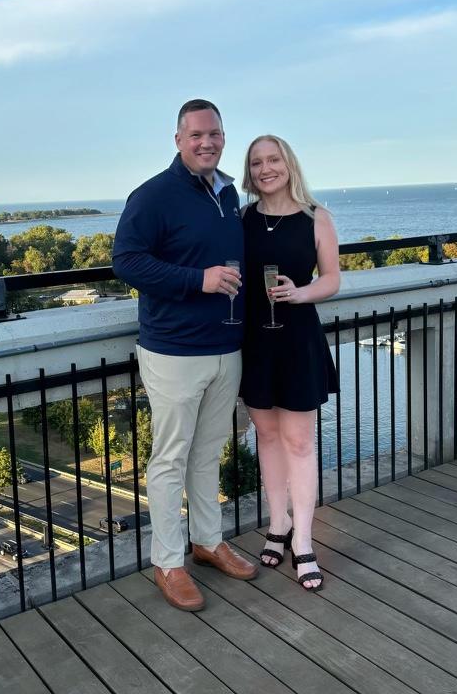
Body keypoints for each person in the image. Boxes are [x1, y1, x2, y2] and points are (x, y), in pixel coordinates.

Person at [113, 99, 258, 612]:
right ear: (178, 140)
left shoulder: (227, 193)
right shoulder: (153, 195)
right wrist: (199, 280)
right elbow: (126, 262)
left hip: (226, 346)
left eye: (214, 133)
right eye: (196, 134)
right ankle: (168, 562)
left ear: (223, 137)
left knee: (209, 451)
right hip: (174, 350)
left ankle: (208, 541)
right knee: (170, 459)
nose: (206, 142)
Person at [240, 134, 340, 591]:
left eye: (273, 159)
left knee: (299, 442)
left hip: (298, 339)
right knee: (266, 436)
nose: (266, 169)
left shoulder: (317, 217)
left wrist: (300, 294)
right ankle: (276, 523)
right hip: (255, 341)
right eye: (256, 162)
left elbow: (332, 279)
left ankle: (302, 540)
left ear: (288, 164)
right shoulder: (242, 219)